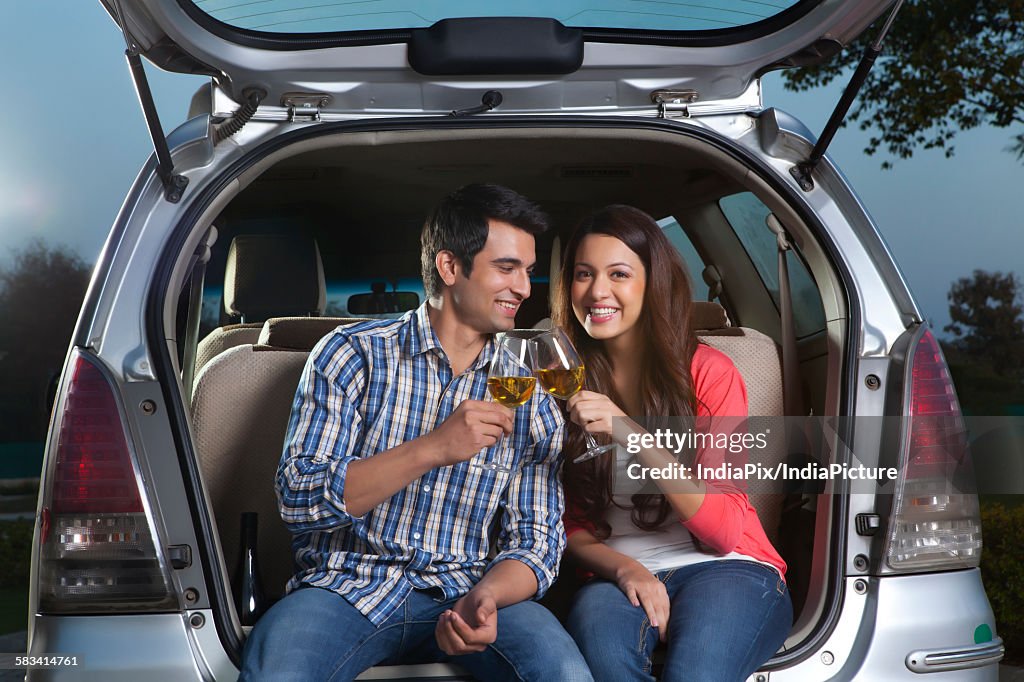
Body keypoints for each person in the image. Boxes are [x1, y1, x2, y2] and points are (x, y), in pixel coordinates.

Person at [240, 184, 592, 682]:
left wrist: (487, 597)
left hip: (468, 587)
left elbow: (536, 539)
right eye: (506, 268)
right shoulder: (352, 353)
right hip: (348, 589)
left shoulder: (527, 387)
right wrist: (433, 448)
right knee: (279, 672)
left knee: (565, 673)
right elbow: (299, 496)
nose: (524, 288)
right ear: (450, 268)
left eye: (528, 271)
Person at [551, 205, 792, 682]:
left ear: (653, 282)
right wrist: (625, 569)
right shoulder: (561, 381)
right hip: (613, 575)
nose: (597, 291)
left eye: (618, 273)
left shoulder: (709, 373)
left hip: (728, 569)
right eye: (584, 274)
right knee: (604, 666)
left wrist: (631, 433)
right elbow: (567, 526)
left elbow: (723, 531)